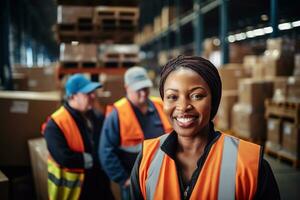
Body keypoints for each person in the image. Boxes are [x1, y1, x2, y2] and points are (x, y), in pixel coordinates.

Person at [130, 55, 280, 199]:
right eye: (172, 97)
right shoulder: (147, 159)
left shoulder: (249, 164)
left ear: (214, 101)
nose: (183, 107)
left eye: (197, 96)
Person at [99, 66, 172, 200]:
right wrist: (124, 180)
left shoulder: (161, 106)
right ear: (127, 88)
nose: (143, 93)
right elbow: (106, 151)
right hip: (134, 183)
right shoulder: (117, 114)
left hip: (164, 178)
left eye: (145, 88)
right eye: (138, 89)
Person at [43, 74, 114, 200]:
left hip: (100, 184)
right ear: (72, 96)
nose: (93, 96)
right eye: (88, 93)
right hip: (76, 191)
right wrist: (96, 159)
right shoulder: (55, 124)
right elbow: (64, 158)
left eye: (93, 92)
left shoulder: (95, 116)